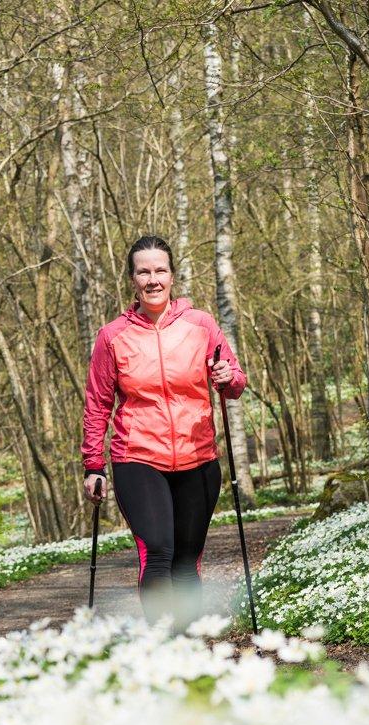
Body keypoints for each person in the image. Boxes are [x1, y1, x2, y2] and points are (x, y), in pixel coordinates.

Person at [81, 235, 246, 625]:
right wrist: (93, 464)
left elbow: (236, 382)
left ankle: (187, 648)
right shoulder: (113, 336)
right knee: (158, 549)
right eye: (143, 271)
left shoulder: (200, 325)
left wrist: (225, 377)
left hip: (198, 457)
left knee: (187, 561)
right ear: (132, 279)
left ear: (172, 276)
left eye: (160, 270)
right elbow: (98, 403)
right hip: (137, 458)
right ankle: (161, 647)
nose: (152, 279)